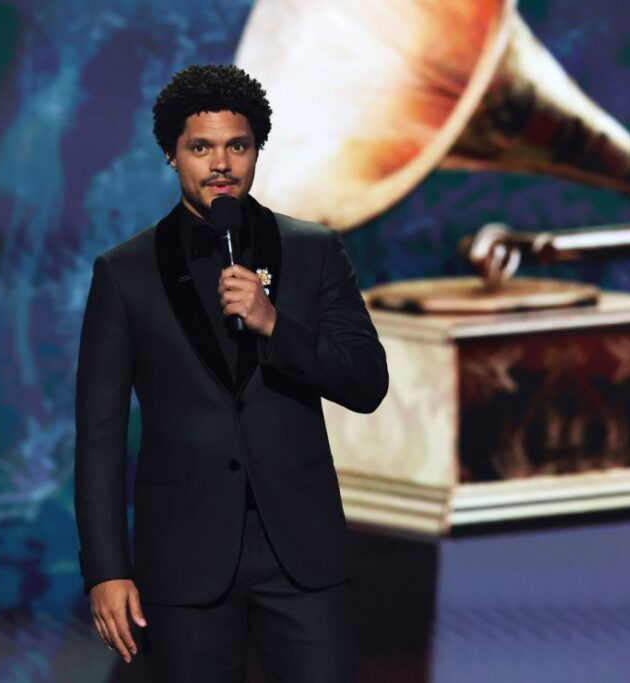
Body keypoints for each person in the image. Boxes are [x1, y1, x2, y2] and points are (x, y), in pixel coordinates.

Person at [73, 64, 388, 682]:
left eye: (236, 146)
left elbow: (367, 382)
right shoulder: (124, 273)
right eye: (201, 147)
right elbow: (100, 435)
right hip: (185, 558)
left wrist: (277, 325)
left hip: (301, 554)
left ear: (255, 152)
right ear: (171, 155)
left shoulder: (314, 250)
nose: (221, 163)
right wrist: (107, 569)